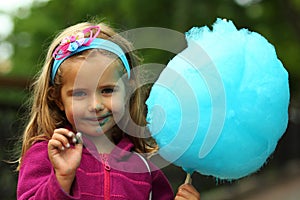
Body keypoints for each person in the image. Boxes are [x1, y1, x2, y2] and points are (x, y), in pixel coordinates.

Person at [16, 21, 200, 200]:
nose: (95, 105)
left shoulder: (143, 168)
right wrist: (61, 179)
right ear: (57, 99)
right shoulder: (47, 155)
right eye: (79, 93)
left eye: (107, 90)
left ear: (128, 90)